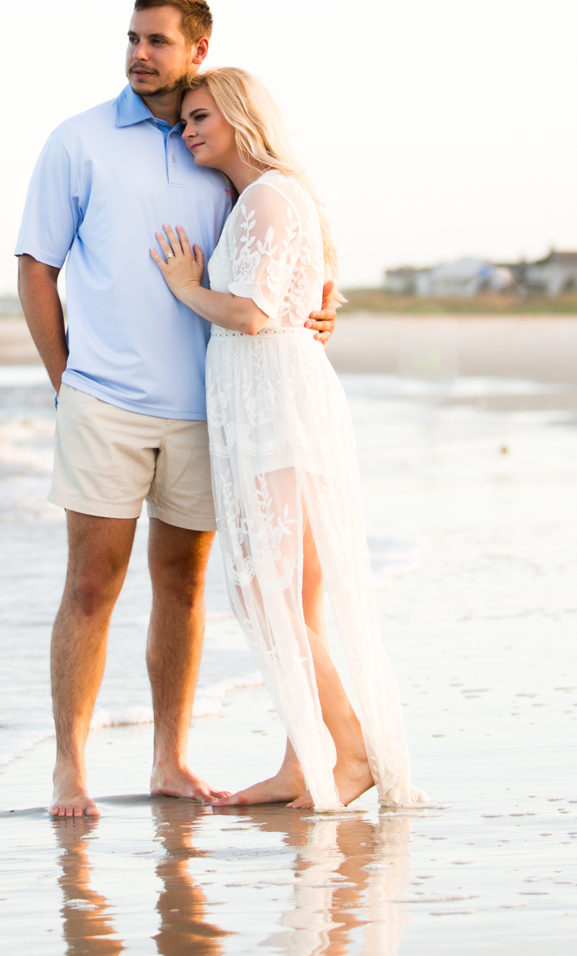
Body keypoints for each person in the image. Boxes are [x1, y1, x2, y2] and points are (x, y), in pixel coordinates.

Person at [16, 0, 337, 820]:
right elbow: (35, 267)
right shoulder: (78, 141)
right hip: (104, 404)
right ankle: (70, 770)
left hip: (207, 411)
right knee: (92, 582)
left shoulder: (211, 144)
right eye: (132, 38)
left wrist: (319, 303)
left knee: (184, 586)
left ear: (197, 48)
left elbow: (282, 241)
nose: (139, 54)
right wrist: (66, 382)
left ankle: (171, 759)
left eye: (157, 40)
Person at [150, 67, 421, 811]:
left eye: (201, 115)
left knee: (270, 594)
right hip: (272, 405)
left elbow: (253, 313)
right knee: (289, 599)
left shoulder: (269, 196)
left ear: (239, 115)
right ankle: (305, 759)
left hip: (279, 413)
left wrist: (184, 287)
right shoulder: (264, 199)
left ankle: (352, 749)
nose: (189, 129)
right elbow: (313, 299)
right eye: (185, 119)